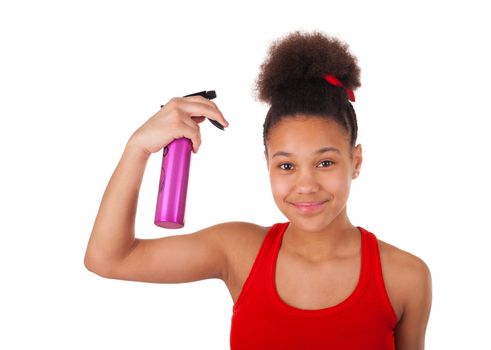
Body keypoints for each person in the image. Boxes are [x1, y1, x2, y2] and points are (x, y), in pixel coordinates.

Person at [85, 31, 432, 350]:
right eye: (286, 165)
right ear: (266, 164)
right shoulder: (239, 251)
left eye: (325, 163)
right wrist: (138, 148)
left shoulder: (405, 276)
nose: (306, 185)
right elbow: (109, 258)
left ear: (355, 161)